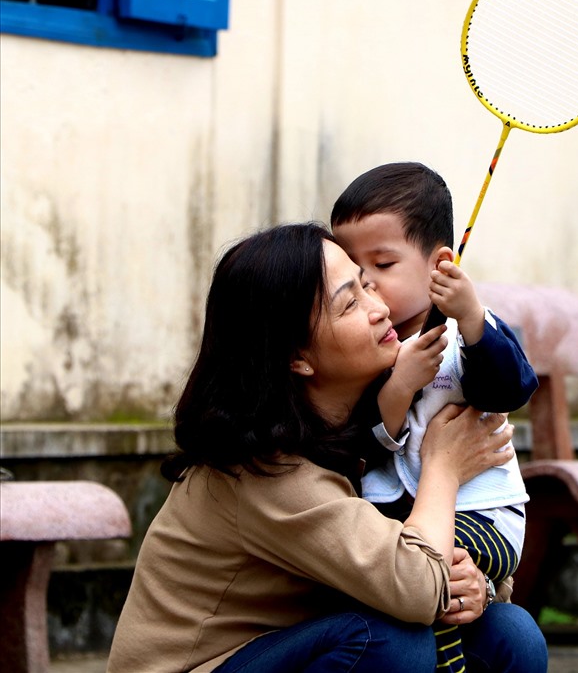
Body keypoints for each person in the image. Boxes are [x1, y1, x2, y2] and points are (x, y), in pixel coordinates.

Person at [106, 222, 547, 673]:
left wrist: (481, 588)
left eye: (366, 284)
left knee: (510, 635)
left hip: (292, 646)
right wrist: (443, 469)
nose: (378, 309)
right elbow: (415, 587)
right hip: (207, 664)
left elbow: (422, 568)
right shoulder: (267, 471)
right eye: (349, 303)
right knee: (386, 642)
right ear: (296, 357)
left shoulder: (367, 427)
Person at [331, 163, 538, 671]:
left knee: (433, 575)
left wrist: (470, 318)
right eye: (353, 271)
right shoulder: (366, 350)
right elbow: (367, 441)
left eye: (382, 264)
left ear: (440, 264)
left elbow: (509, 390)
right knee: (416, 577)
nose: (368, 285)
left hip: (482, 516)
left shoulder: (469, 334)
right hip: (399, 520)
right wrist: (399, 384)